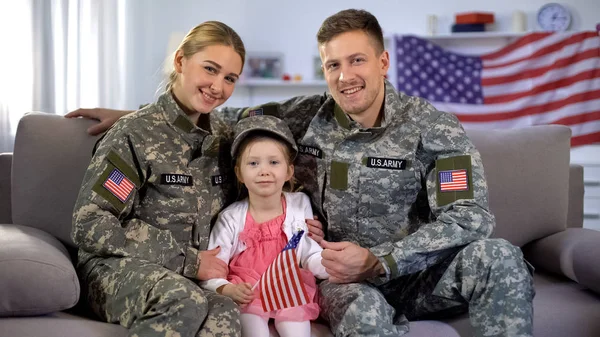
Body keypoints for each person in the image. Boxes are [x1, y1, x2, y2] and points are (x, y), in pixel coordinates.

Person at [67, 9, 535, 337]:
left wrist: (383, 260)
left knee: (498, 256)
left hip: (411, 271)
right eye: (333, 64)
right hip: (338, 278)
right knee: (359, 312)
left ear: (383, 63)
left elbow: (469, 218)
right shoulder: (307, 115)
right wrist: (139, 116)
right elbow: (219, 115)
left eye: (357, 60)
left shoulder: (433, 127)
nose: (345, 75)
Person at [71, 21, 247, 337]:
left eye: (230, 78)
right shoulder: (133, 135)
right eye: (210, 69)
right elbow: (91, 223)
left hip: (189, 276)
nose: (218, 86)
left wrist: (298, 215)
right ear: (180, 61)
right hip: (113, 268)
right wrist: (189, 261)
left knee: (226, 315)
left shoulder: (225, 137)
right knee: (182, 299)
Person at [200, 114, 329, 337]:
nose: (264, 171)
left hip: (288, 286)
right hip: (248, 291)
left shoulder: (299, 204)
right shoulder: (230, 218)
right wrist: (228, 289)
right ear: (239, 173)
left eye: (274, 162)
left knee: (297, 331)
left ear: (289, 171)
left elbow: (309, 251)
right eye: (253, 163)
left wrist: (326, 264)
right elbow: (213, 268)